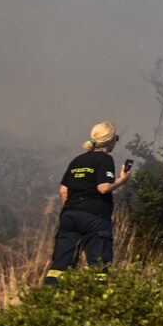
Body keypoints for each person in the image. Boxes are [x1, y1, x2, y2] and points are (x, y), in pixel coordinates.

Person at [44, 121, 130, 286]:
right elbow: (104, 188)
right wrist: (122, 180)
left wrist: (73, 207)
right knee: (99, 266)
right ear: (109, 140)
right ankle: (97, 303)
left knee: (60, 264)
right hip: (95, 217)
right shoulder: (105, 159)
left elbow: (63, 191)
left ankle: (50, 298)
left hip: (69, 216)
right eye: (116, 139)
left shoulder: (77, 160)